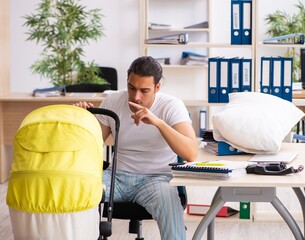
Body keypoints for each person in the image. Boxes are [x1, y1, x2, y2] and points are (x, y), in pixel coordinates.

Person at [74, 56, 198, 239]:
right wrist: (81, 119)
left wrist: (158, 123)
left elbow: (191, 153)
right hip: (117, 177)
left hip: (156, 179)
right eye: (132, 88)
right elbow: (88, 147)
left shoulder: (172, 106)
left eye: (144, 91)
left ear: (157, 88)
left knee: (169, 202)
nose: (136, 96)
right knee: (75, 188)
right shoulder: (113, 101)